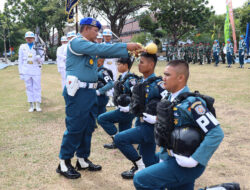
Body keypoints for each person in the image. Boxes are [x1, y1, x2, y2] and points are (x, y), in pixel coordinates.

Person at [56, 17, 142, 179]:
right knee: (75, 127)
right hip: (78, 92)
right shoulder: (77, 42)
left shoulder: (87, 46)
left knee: (88, 127)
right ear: (87, 29)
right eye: (96, 31)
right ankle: (64, 162)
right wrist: (126, 47)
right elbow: (102, 50)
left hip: (89, 92)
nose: (97, 34)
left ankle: (82, 158)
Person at [133, 60, 224, 190]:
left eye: (167, 75)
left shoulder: (192, 103)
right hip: (172, 157)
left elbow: (216, 133)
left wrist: (194, 160)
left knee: (141, 180)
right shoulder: (169, 99)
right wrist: (164, 156)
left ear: (181, 78)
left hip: (187, 163)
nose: (163, 78)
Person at [114, 52, 167, 179]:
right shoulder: (140, 81)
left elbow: (171, 104)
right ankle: (154, 169)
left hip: (151, 127)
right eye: (139, 62)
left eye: (142, 62)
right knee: (149, 161)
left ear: (151, 64)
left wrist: (158, 119)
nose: (139, 65)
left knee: (120, 139)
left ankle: (139, 166)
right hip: (140, 121)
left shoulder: (159, 84)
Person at [98, 57, 138, 149]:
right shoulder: (122, 77)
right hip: (122, 108)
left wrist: (130, 107)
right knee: (124, 131)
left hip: (127, 110)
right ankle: (121, 142)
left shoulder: (131, 79)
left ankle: (117, 139)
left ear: (126, 65)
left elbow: (137, 95)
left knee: (102, 119)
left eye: (119, 64)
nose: (117, 66)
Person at [18, 31, 45, 112]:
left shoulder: (38, 46)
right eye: (27, 38)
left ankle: (37, 104)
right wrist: (21, 72)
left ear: (34, 38)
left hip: (36, 69)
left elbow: (42, 60)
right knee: (28, 87)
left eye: (31, 38)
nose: (29, 39)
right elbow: (20, 60)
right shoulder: (22, 47)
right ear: (25, 38)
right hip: (26, 70)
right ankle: (31, 105)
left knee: (37, 87)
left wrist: (39, 58)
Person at [102, 28, 118, 106]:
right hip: (105, 65)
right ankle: (107, 100)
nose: (107, 38)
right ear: (103, 36)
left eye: (109, 36)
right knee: (106, 81)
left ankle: (112, 99)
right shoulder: (101, 46)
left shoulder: (113, 46)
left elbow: (117, 57)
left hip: (113, 65)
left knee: (114, 81)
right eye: (106, 36)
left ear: (111, 36)